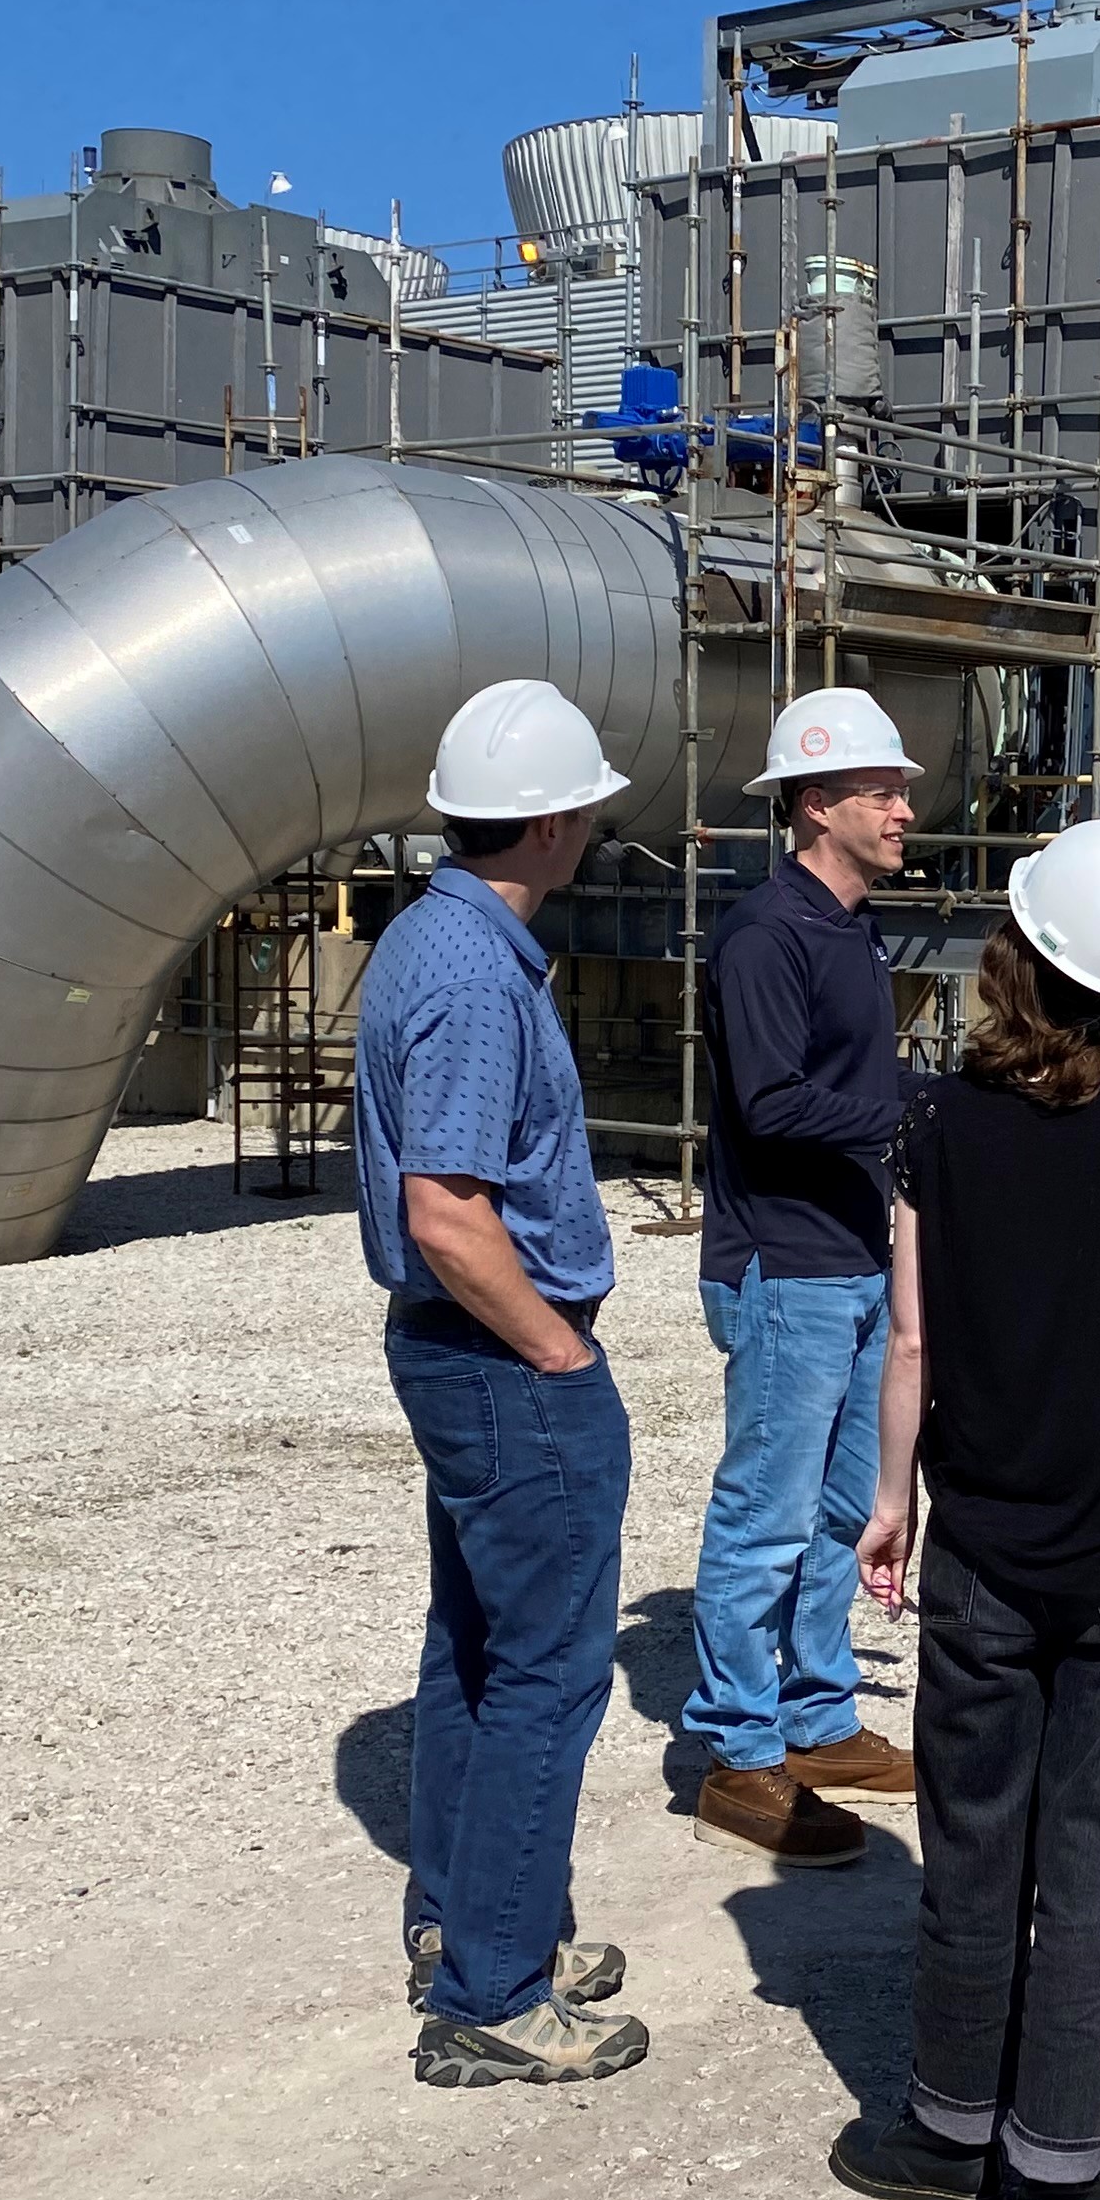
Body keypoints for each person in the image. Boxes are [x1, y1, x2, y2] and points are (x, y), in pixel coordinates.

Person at [828, 816, 1100, 2200]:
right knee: (1094, 1856)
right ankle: (1057, 2172)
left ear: (1021, 956)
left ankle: (945, 2130)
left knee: (974, 1835)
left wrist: (894, 1499)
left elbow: (915, 1339)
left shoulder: (933, 1123)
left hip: (987, 1543)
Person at [357, 678, 648, 2090]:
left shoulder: (433, 940)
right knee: (544, 1674)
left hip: (461, 1356)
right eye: (587, 802)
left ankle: (470, 1920)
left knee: (473, 1651)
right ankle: (495, 1991)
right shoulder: (477, 977)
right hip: (502, 1356)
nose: (597, 821)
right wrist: (560, 1349)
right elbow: (448, 1212)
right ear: (547, 820)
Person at [685, 687, 923, 1867]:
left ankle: (819, 1718)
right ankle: (738, 1749)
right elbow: (772, 1102)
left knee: (846, 1507)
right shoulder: (765, 934)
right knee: (767, 1514)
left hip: (855, 1256)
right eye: (883, 789)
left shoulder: (850, 924)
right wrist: (910, 1114)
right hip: (786, 1268)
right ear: (817, 802)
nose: (903, 808)